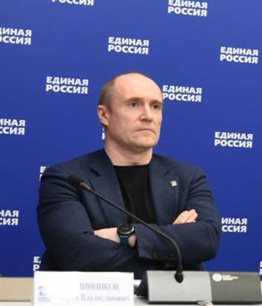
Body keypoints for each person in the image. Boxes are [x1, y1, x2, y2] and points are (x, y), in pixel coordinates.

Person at [37, 72, 221, 275]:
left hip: (172, 296)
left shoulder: (188, 176)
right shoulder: (66, 178)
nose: (148, 116)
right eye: (133, 104)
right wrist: (174, 254)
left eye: (156, 106)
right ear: (104, 115)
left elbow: (208, 239)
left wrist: (125, 235)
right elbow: (77, 253)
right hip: (96, 296)